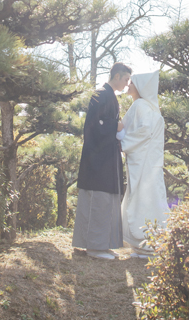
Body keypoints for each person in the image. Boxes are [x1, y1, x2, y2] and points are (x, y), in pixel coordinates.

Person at [72, 62, 131, 260]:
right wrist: (117, 124)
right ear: (116, 77)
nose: (127, 84)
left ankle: (100, 245)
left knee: (103, 201)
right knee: (98, 200)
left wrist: (115, 126)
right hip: (97, 160)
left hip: (104, 158)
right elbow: (93, 126)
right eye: (125, 79)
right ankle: (95, 248)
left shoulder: (108, 95)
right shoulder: (101, 94)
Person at [118, 71, 169, 258]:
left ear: (139, 87)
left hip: (144, 163)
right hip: (151, 163)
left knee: (142, 200)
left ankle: (146, 244)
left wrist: (121, 141)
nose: (128, 85)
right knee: (152, 198)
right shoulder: (152, 108)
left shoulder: (140, 105)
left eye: (131, 82)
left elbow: (142, 132)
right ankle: (153, 242)